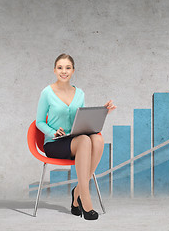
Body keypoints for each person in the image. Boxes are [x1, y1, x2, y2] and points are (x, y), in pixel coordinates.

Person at [36, 53, 116, 220]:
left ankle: (77, 192)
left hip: (76, 138)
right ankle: (85, 200)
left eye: (67, 68)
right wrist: (53, 132)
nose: (63, 71)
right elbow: (39, 122)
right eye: (60, 68)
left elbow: (83, 120)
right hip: (55, 143)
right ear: (54, 70)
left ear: (73, 71)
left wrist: (102, 112)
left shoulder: (79, 93)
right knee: (84, 141)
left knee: (98, 139)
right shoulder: (47, 92)